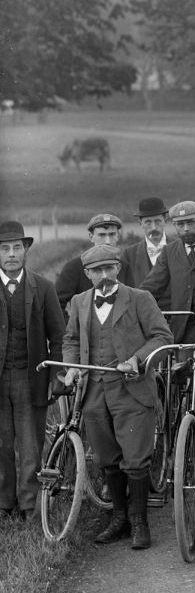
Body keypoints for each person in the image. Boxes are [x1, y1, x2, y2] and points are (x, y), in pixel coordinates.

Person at [62, 244, 173, 549]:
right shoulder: (80, 302)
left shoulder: (140, 299)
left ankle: (139, 522)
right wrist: (72, 368)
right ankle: (119, 519)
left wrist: (138, 359)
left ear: (119, 269)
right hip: (94, 391)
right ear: (87, 274)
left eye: (109, 268)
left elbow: (163, 337)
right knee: (107, 458)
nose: (104, 275)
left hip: (132, 389)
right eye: (97, 270)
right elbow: (71, 339)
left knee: (136, 458)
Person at [0, 221, 66, 521]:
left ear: (26, 250)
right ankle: (5, 504)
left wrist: (55, 377)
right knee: (2, 444)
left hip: (31, 378)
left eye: (16, 248)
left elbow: (59, 337)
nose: (11, 254)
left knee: (29, 445)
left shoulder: (43, 288)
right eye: (4, 248)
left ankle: (28, 506)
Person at [140, 201, 195, 346]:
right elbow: (152, 287)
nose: (186, 229)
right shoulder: (169, 251)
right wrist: (130, 302)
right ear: (174, 226)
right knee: (182, 368)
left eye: (190, 223)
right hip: (182, 332)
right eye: (180, 224)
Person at [56, 214, 134, 318]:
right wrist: (73, 329)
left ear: (118, 236)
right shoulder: (74, 267)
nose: (107, 241)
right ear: (91, 237)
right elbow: (56, 304)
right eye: (102, 235)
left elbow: (132, 302)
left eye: (112, 234)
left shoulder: (124, 266)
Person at [122, 197, 169, 291]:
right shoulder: (129, 254)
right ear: (140, 223)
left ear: (165, 219)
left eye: (157, 221)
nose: (153, 228)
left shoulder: (180, 247)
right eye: (148, 222)